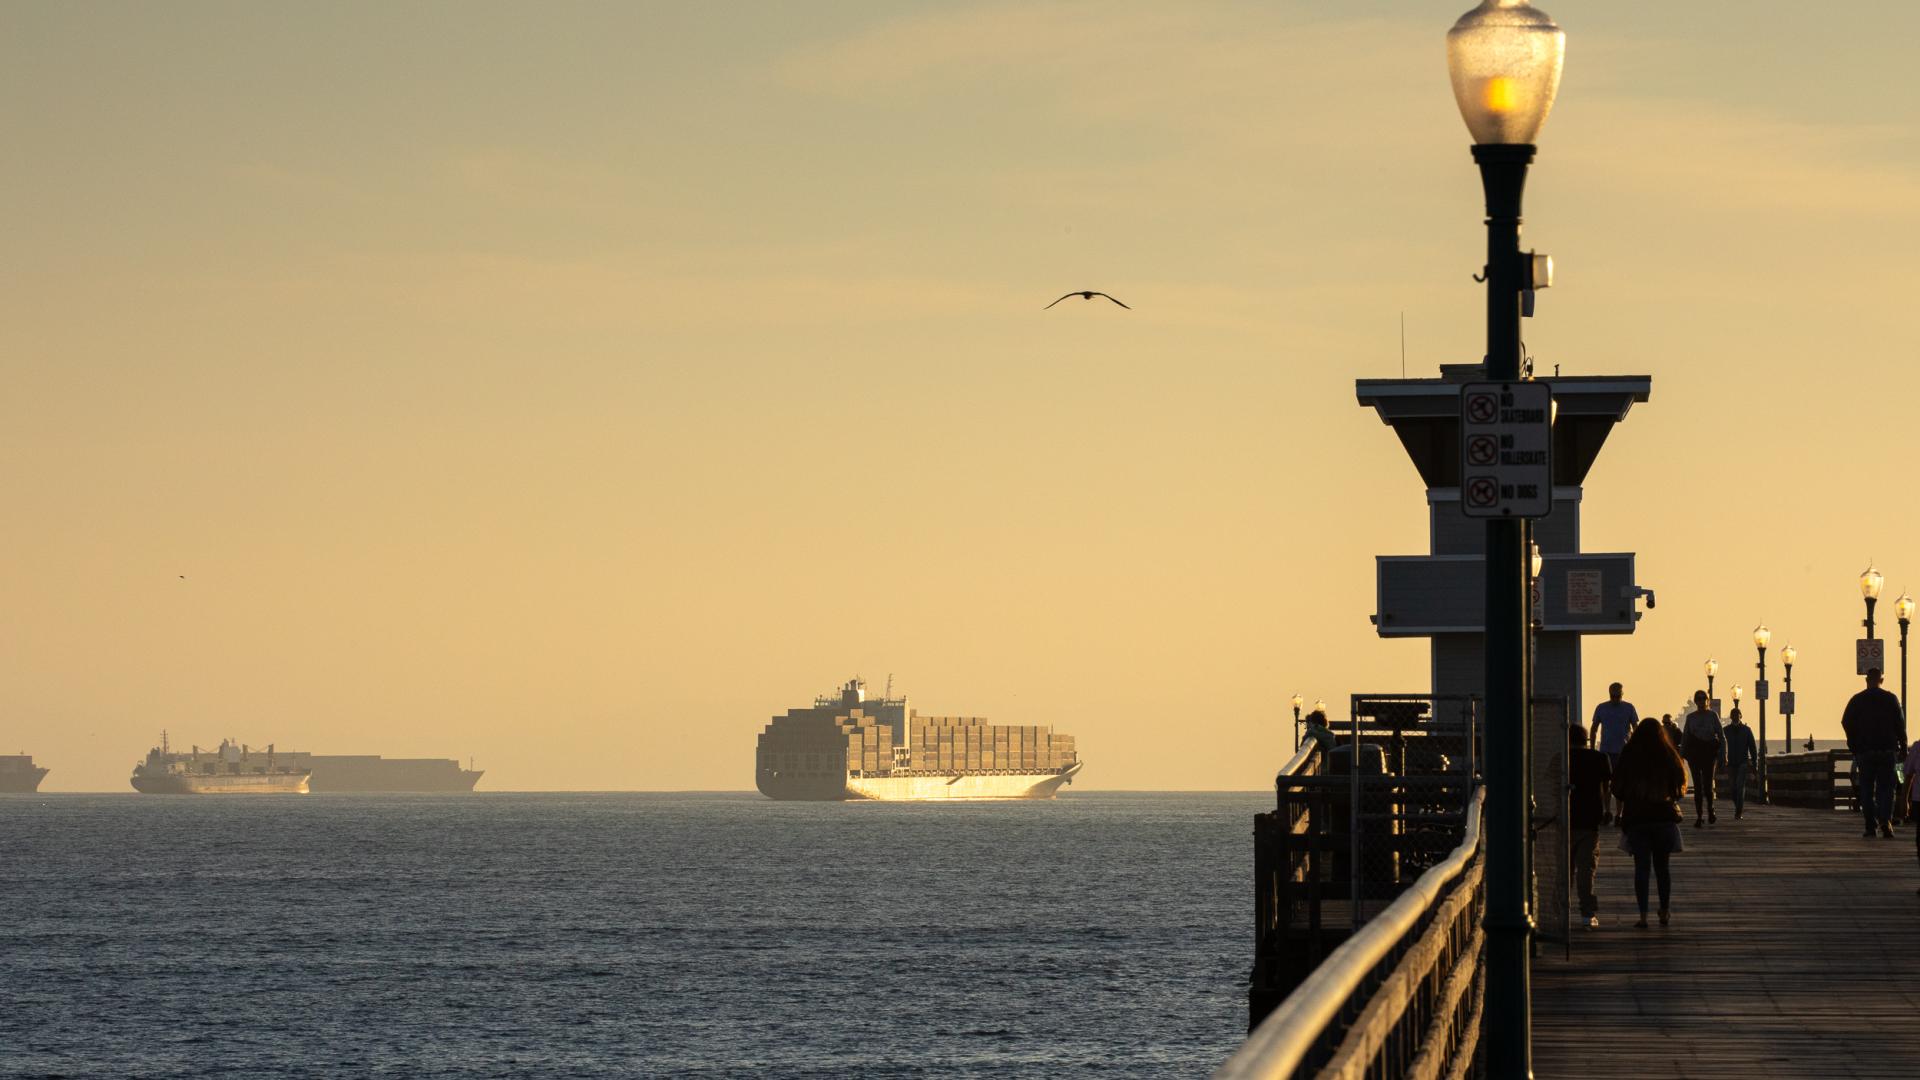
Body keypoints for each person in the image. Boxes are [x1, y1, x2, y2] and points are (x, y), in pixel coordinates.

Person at [1612, 717, 1686, 928]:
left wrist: (1629, 797)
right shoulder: (1667, 753)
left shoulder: (1629, 754)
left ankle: (1643, 916)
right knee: (1662, 868)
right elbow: (1680, 784)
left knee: (1641, 868)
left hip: (1637, 818)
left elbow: (1617, 787)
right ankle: (1664, 911)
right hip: (1663, 818)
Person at [1841, 667, 1906, 839]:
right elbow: (1900, 724)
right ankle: (1885, 820)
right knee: (1887, 788)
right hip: (1887, 750)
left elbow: (1846, 721)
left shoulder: (1857, 700)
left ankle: (1871, 826)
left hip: (1865, 751)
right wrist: (1904, 747)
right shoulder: (1891, 699)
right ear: (1881, 680)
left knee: (1867, 790)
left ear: (1866, 680)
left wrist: (1853, 743)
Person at [1567, 721, 1613, 929]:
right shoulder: (1599, 758)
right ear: (1586, 739)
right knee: (1586, 870)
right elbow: (1606, 786)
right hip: (1589, 820)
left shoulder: (1561, 758)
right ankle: (1587, 914)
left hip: (1564, 820)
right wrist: (1607, 809)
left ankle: (1559, 912)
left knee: (1563, 871)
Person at [1590, 683, 1638, 814]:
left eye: (1617, 696)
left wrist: (1635, 747)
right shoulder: (1601, 708)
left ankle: (1619, 813)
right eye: (1613, 696)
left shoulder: (1629, 708)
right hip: (1605, 752)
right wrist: (1593, 748)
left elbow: (1636, 728)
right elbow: (1594, 728)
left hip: (1623, 751)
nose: (1615, 698)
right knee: (1605, 784)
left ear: (1622, 694)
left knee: (1620, 784)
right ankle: (1607, 811)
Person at [1680, 691, 1725, 827]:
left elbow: (1721, 736)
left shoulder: (1712, 716)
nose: (1700, 701)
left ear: (1707, 700)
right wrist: (1681, 756)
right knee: (1698, 787)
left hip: (1709, 753)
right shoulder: (1690, 718)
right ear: (1695, 701)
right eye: (1698, 699)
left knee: (1707, 785)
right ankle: (1699, 815)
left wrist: (1724, 754)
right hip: (1695, 754)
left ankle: (1710, 810)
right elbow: (1685, 738)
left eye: (1703, 699)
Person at [1724, 706, 1757, 820]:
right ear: (1731, 717)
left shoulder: (1747, 730)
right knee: (1733, 787)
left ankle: (1738, 812)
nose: (1735, 717)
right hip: (1731, 763)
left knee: (1740, 786)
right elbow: (1721, 747)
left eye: (1737, 715)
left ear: (1740, 716)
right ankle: (1737, 806)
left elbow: (1752, 747)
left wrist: (1754, 763)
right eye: (1733, 715)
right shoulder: (1726, 730)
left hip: (1743, 762)